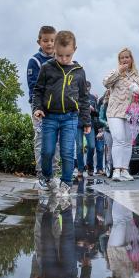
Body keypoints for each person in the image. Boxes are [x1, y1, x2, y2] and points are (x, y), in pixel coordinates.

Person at [32, 30, 91, 196]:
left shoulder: (79, 71)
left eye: (67, 55)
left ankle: (66, 182)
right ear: (54, 51)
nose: (64, 59)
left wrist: (86, 122)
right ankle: (48, 177)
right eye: (59, 55)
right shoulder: (47, 68)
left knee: (67, 152)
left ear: (74, 50)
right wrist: (37, 108)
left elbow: (84, 98)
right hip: (49, 117)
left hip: (70, 118)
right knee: (47, 151)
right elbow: (38, 91)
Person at [103, 48, 139, 181]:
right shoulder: (114, 72)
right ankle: (116, 169)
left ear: (131, 59)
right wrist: (118, 72)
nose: (124, 60)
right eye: (122, 58)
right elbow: (106, 83)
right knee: (119, 138)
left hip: (131, 113)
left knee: (128, 141)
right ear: (119, 60)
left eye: (127, 57)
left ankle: (124, 170)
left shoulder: (138, 76)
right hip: (115, 111)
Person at [27, 26, 60, 186]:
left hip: (58, 109)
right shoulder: (35, 61)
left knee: (56, 142)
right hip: (40, 108)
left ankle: (52, 174)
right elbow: (34, 87)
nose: (49, 43)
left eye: (52, 40)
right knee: (41, 139)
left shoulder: (61, 59)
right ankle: (42, 175)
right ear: (39, 41)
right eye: (45, 40)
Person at [76, 81, 99, 177]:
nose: (86, 88)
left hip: (90, 124)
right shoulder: (76, 97)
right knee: (79, 146)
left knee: (92, 146)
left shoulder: (93, 98)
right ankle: (80, 169)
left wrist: (93, 110)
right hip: (78, 124)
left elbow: (97, 113)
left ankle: (90, 166)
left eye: (88, 87)